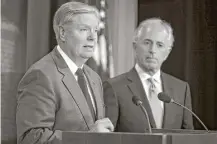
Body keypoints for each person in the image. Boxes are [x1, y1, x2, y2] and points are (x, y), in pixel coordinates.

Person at [16, 2, 114, 144]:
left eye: (96, 30)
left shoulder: (94, 78)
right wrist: (88, 137)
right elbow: (31, 138)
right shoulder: (41, 75)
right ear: (62, 33)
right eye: (84, 29)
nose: (93, 37)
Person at [103, 18, 194, 133]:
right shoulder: (114, 87)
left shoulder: (181, 89)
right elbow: (107, 137)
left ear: (167, 52)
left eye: (160, 45)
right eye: (147, 43)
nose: (152, 50)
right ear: (135, 47)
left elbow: (188, 136)